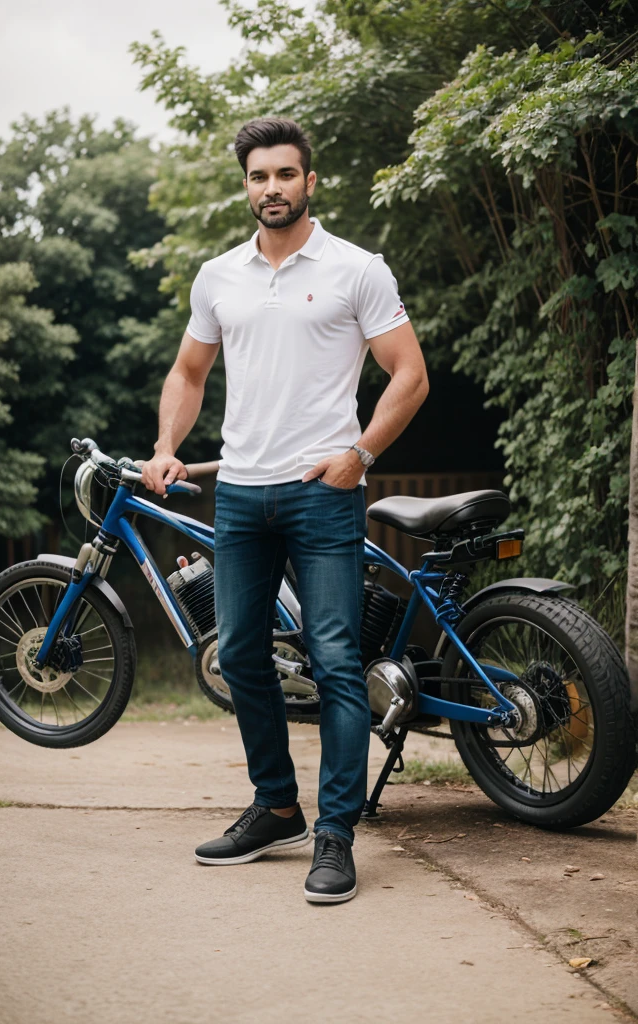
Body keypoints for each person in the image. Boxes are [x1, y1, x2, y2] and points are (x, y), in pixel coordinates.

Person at [141, 116, 429, 904]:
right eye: (259, 176)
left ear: (310, 181)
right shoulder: (219, 275)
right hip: (240, 491)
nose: (272, 187)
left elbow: (409, 373)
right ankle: (276, 807)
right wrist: (168, 443)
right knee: (239, 656)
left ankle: (334, 835)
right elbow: (189, 371)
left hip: (322, 492)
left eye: (285, 174)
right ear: (247, 185)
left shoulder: (355, 268)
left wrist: (360, 455)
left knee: (334, 661)